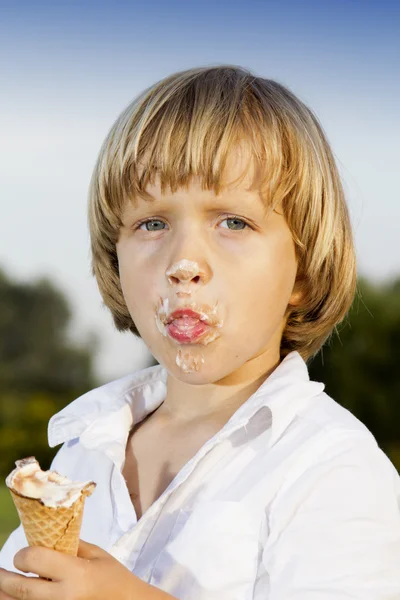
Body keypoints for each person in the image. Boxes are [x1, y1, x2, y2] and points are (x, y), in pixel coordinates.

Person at [0, 66, 399, 600]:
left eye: (233, 222)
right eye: (152, 223)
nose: (183, 263)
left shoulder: (334, 468)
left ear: (302, 274)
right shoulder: (83, 450)